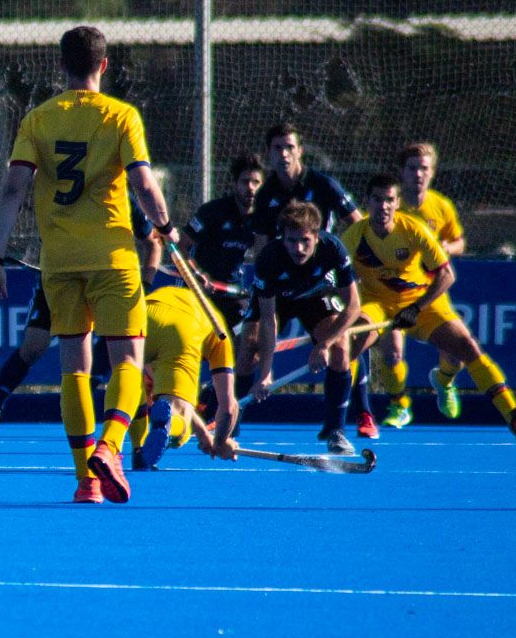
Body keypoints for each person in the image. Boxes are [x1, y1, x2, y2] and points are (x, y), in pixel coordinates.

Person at [0, 25, 175, 504]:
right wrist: (167, 228)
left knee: (75, 369)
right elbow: (144, 187)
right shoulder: (121, 116)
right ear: (104, 65)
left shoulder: (38, 119)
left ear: (61, 66)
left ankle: (85, 481)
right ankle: (110, 447)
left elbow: (12, 191)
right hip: (112, 259)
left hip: (60, 262)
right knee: (128, 361)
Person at [343, 174, 516, 440]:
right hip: (376, 303)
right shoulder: (354, 236)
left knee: (468, 348)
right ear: (367, 202)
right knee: (352, 344)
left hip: (420, 304)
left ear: (396, 203)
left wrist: (416, 308)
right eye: (377, 199)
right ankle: (339, 420)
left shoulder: (414, 229)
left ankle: (514, 416)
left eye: (389, 200)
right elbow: (337, 275)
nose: (383, 206)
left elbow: (446, 275)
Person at [0, 195, 159, 437]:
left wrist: (144, 287)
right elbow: (17, 198)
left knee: (119, 355)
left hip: (108, 280)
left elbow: (153, 244)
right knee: (35, 346)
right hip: (61, 278)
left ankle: (120, 440)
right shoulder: (60, 184)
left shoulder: (122, 195)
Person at [367, 141, 466, 430]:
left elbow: (459, 241)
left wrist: (448, 246)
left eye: (424, 168)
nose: (418, 174)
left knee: (456, 350)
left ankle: (444, 380)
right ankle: (399, 405)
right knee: (392, 351)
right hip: (394, 291)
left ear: (432, 172)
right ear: (401, 172)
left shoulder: (441, 207)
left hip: (430, 292)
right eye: (412, 168)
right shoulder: (388, 205)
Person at [250, 200, 362, 456]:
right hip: (280, 301)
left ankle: (336, 431)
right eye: (291, 241)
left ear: (317, 235)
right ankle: (229, 426)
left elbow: (353, 306)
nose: (298, 248)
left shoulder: (333, 248)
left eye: (305, 241)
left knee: (341, 349)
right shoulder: (269, 258)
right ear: (282, 238)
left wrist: (324, 343)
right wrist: (266, 373)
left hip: (313, 297)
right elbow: (268, 318)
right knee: (248, 350)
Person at [184, 153, 265, 425]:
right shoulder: (212, 212)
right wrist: (197, 275)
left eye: (256, 182)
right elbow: (180, 248)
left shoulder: (262, 220)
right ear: (234, 184)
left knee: (249, 348)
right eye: (245, 181)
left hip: (232, 294)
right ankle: (184, 409)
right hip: (197, 293)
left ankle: (229, 414)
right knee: (189, 354)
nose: (250, 188)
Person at [130, 283, 239, 472]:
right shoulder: (219, 335)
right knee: (179, 421)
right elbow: (229, 407)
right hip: (180, 330)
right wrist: (221, 442)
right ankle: (172, 429)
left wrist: (205, 435)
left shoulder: (181, 297)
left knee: (139, 392)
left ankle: (139, 451)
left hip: (141, 315)